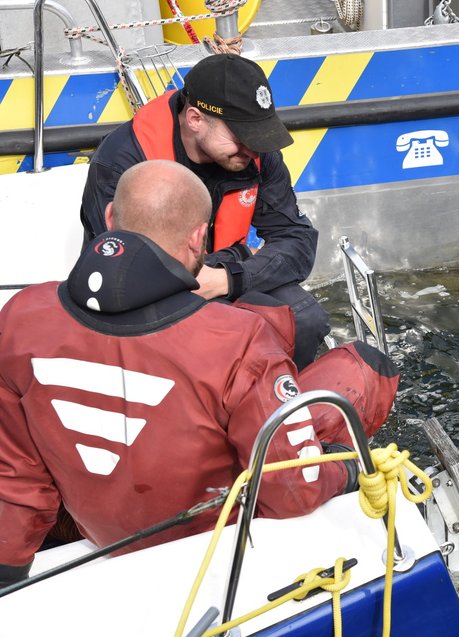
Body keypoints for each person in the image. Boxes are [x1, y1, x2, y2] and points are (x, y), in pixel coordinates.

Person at [0, 160, 399, 589]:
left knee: (268, 317)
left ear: (111, 218)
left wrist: (9, 572)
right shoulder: (238, 340)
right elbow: (291, 492)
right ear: (197, 237)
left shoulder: (21, 315)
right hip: (206, 546)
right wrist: (347, 471)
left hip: (94, 525)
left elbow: (15, 473)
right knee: (362, 369)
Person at [79, 53, 329, 370]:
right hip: (143, 302)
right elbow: (130, 270)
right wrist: (239, 255)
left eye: (259, 135)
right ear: (196, 119)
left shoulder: (255, 153)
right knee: (217, 345)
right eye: (241, 136)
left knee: (303, 320)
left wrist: (228, 277)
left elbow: (297, 241)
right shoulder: (123, 161)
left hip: (223, 284)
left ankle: (274, 412)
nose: (253, 149)